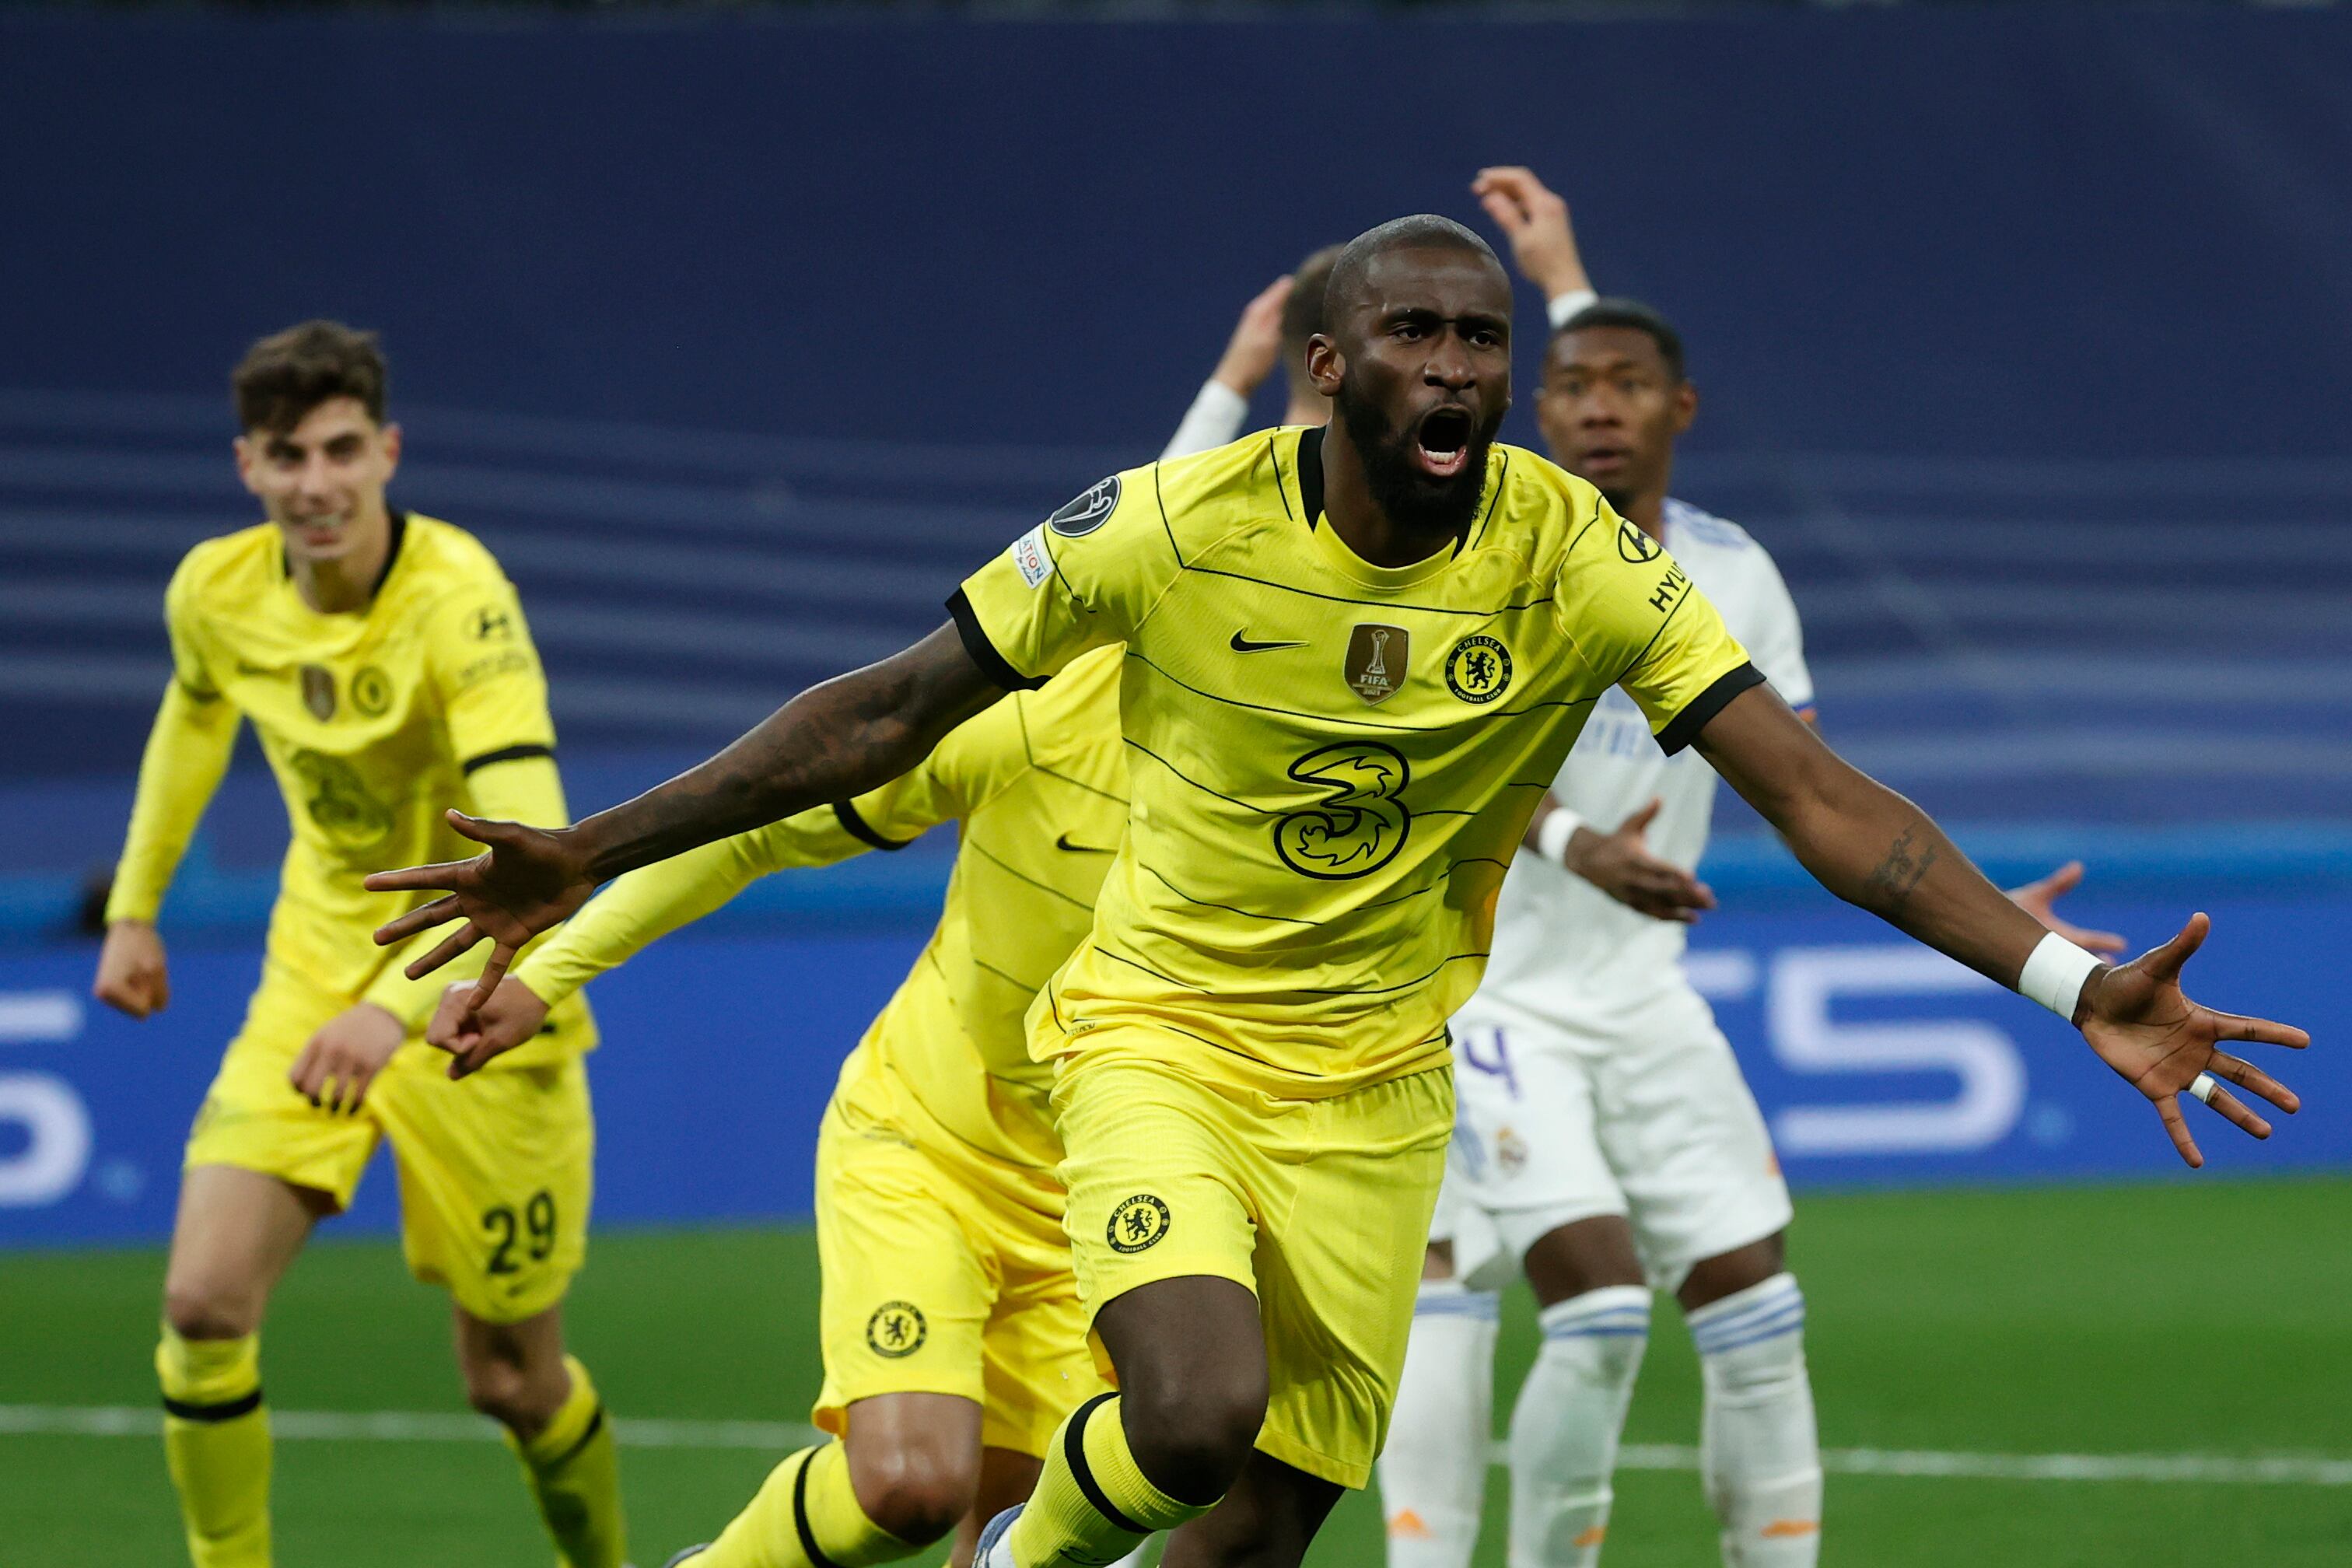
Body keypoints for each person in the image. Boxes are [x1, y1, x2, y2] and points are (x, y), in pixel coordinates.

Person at [362, 217, 2304, 1568]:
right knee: (1190, 1417)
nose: (1462, 370)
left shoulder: (1566, 554)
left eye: (1485, 344)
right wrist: (588, 850)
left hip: (1378, 1090)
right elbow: (883, 711)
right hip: (1156, 1044)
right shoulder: (1164, 529)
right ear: (1330, 368)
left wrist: (2064, 982)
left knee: (1266, 1523)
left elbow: (1813, 796)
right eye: (1420, 338)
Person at [1374, 167, 2126, 1568]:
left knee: (1754, 1308)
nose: (1597, 404)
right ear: (1536, 416)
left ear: (1678, 411)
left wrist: (1974, 923)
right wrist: (1563, 837)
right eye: (1571, 384)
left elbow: (1808, 792)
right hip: (1481, 999)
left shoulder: (1733, 575)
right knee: (1586, 1307)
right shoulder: (1482, 550)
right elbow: (1413, 754)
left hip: (1641, 1000)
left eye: (1625, 385)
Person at [92, 322, 624, 1568]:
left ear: (387, 452)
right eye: (289, 455)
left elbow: (536, 848)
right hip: (311, 978)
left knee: (512, 1382)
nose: (317, 483)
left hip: (478, 993)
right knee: (201, 1305)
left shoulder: (461, 602)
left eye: (341, 450)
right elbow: (191, 717)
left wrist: (391, 1007)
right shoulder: (215, 593)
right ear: (249, 467)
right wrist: (134, 906)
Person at [421, 649, 1142, 1568]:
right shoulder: (1034, 718)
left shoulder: (1311, 773)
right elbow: (757, 831)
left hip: (1110, 1191)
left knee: (1025, 1539)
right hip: (930, 1145)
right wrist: (548, 977)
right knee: (911, 1487)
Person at [1161, 245, 1342, 460]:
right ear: (1328, 362)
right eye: (1393, 335)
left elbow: (1166, 491)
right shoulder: (1382, 490)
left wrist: (1231, 381)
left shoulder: (1226, 490)